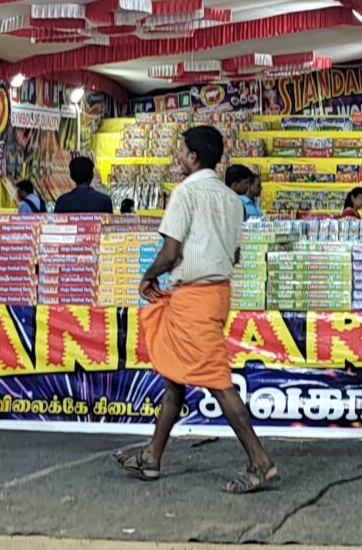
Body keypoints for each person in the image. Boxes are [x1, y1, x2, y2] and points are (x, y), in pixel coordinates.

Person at [114, 125, 277, 494]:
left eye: (181, 151)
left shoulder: (186, 193)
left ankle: (260, 461)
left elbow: (170, 253)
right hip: (216, 293)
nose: (178, 157)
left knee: (217, 380)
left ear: (193, 156)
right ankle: (152, 456)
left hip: (193, 296)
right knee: (175, 376)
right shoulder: (230, 199)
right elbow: (234, 253)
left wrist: (147, 276)